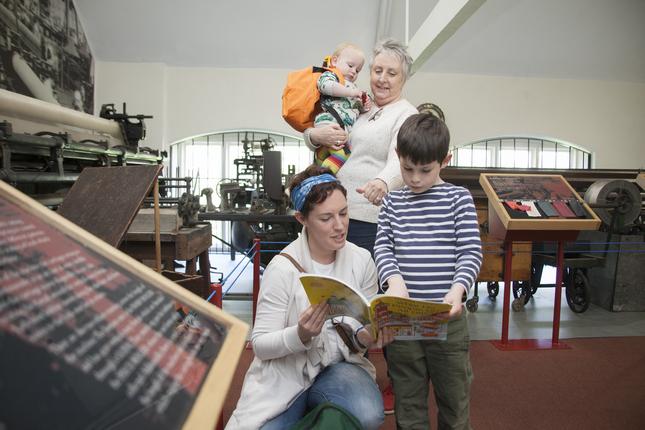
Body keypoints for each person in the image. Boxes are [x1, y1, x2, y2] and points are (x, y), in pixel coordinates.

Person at [226, 165, 389, 430]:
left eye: (344, 213)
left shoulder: (362, 260)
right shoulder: (282, 268)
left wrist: (365, 336)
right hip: (286, 373)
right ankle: (315, 414)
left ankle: (321, 409)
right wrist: (300, 334)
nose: (339, 226)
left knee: (367, 413)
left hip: (340, 367)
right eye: (326, 218)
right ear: (302, 219)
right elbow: (260, 345)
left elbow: (359, 339)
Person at [305, 38, 417, 413]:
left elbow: (402, 159)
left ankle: (394, 382)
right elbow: (325, 136)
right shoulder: (358, 105)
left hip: (373, 218)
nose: (382, 79)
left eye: (392, 73)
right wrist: (312, 135)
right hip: (339, 215)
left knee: (378, 306)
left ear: (404, 77)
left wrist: (385, 182)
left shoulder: (405, 113)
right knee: (338, 300)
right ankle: (337, 371)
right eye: (377, 70)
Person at [374, 113, 483, 429]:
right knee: (408, 403)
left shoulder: (457, 199)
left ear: (445, 160)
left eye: (426, 170)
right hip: (403, 319)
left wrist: (458, 289)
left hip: (446, 320)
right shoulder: (393, 202)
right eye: (408, 169)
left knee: (454, 399)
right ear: (398, 158)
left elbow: (470, 251)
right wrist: (393, 281)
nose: (416, 178)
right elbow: (383, 248)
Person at [314, 42, 371, 174]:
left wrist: (363, 105)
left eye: (357, 70)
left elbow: (355, 109)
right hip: (330, 123)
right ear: (335, 61)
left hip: (340, 127)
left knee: (324, 156)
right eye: (350, 65)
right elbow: (325, 86)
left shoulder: (353, 87)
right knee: (342, 155)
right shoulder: (331, 75)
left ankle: (311, 176)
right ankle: (322, 178)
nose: (353, 71)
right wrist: (351, 92)